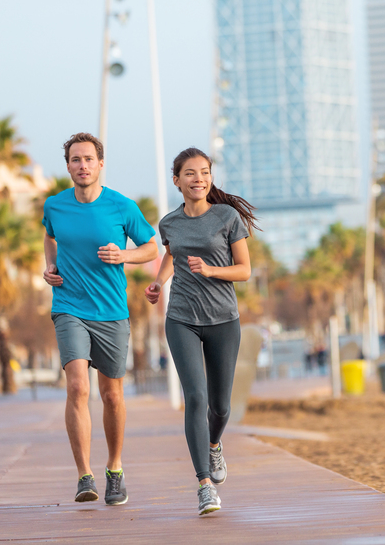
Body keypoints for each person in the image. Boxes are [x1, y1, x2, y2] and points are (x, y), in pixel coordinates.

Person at [42, 132, 158, 505]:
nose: (82, 166)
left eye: (88, 159)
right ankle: (84, 475)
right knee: (77, 387)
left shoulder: (121, 206)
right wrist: (49, 264)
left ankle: (114, 468)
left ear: (101, 163)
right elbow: (50, 236)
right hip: (69, 306)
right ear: (68, 166)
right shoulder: (54, 205)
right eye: (75, 160)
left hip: (111, 311)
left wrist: (124, 256)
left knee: (111, 394)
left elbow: (151, 247)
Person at [145, 147, 256, 516]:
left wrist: (210, 270)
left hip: (224, 320)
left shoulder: (226, 217)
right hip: (182, 320)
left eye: (205, 172)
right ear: (176, 180)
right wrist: (160, 284)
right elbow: (172, 254)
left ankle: (213, 444)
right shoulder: (170, 223)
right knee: (196, 397)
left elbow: (244, 270)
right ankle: (204, 485)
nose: (199, 179)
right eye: (190, 173)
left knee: (220, 407)